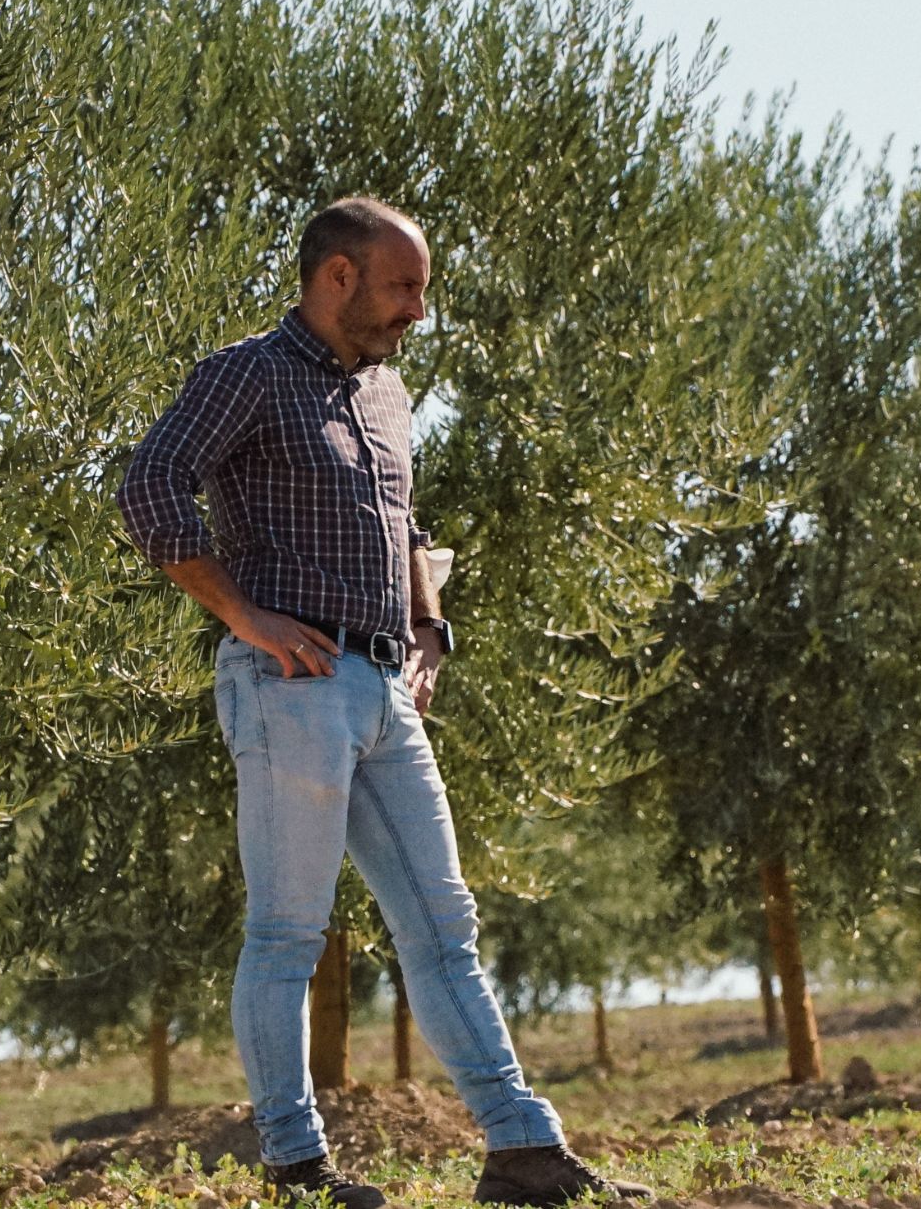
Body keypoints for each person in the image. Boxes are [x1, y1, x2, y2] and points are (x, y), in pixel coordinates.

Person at [117, 198, 649, 1208]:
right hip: (291, 687)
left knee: (443, 923)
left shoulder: (390, 395)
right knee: (287, 932)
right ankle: (296, 1168)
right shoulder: (245, 375)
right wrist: (246, 617)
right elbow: (149, 487)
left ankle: (520, 1150)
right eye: (405, 287)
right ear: (338, 278)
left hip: (382, 689)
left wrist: (430, 632)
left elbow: (404, 521)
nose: (417, 310)